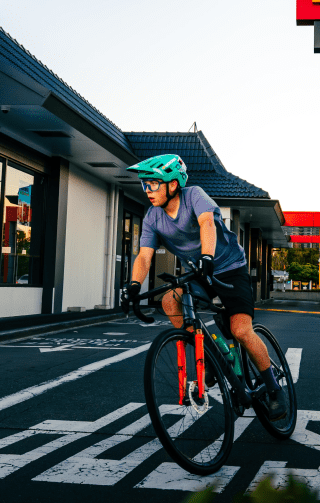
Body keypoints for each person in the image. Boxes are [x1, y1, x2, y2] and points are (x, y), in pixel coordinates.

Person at [121, 154, 286, 420]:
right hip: (199, 272)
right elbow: (145, 255)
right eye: (144, 185)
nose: (147, 190)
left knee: (241, 330)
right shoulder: (152, 216)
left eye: (152, 183)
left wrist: (207, 256)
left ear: (172, 184)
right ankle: (210, 355)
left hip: (229, 268)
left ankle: (275, 388)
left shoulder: (194, 195)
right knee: (169, 301)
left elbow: (206, 223)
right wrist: (133, 286)